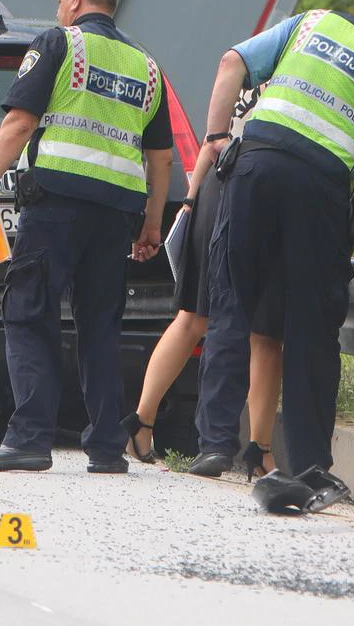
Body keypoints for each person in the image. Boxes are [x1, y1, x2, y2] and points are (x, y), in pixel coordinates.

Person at [192, 0, 354, 509]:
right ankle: (308, 464)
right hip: (319, 188)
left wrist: (215, 137)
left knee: (232, 299)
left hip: (254, 164)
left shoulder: (311, 22)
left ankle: (214, 444)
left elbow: (231, 62)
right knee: (312, 324)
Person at [0, 0, 175, 474]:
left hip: (56, 202)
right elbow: (161, 157)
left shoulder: (59, 44)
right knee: (100, 325)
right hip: (117, 213)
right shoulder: (147, 66)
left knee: (30, 312)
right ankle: (106, 447)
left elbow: (19, 123)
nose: (59, 8)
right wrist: (152, 225)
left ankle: (29, 440)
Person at [120, 134, 282, 476]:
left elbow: (211, 141)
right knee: (261, 331)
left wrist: (190, 203)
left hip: (218, 187)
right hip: (256, 194)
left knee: (195, 317)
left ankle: (141, 423)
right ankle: (261, 451)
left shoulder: (243, 97)